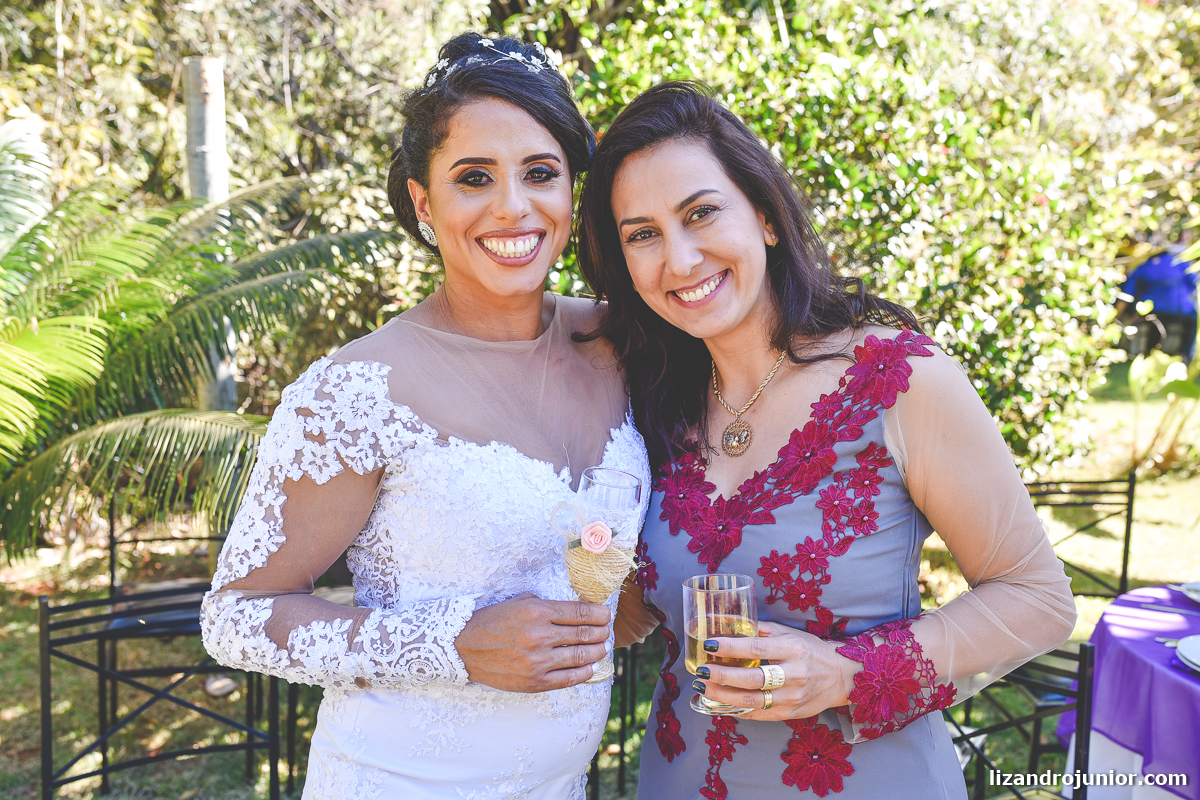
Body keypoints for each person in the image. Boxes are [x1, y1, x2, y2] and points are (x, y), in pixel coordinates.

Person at [581, 83, 1076, 798]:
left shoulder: (896, 378)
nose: (680, 258)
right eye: (642, 234)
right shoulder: (653, 405)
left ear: (765, 217)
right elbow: (625, 616)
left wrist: (844, 674)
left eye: (701, 213)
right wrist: (574, 543)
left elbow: (1038, 598)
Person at [200, 33, 649, 799]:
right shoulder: (358, 391)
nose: (514, 206)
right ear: (422, 201)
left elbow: (595, 567)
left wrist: (625, 598)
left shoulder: (622, 345)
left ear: (573, 190)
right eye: (474, 177)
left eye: (540, 173)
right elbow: (236, 617)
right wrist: (451, 645)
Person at [1118, 231, 1197, 363]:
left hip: (1153, 312)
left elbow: (1127, 295)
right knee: (1192, 320)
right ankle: (1184, 354)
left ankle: (1148, 354)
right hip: (1181, 311)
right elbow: (1193, 283)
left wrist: (1116, 318)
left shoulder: (1142, 268)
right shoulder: (1179, 263)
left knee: (1152, 325)